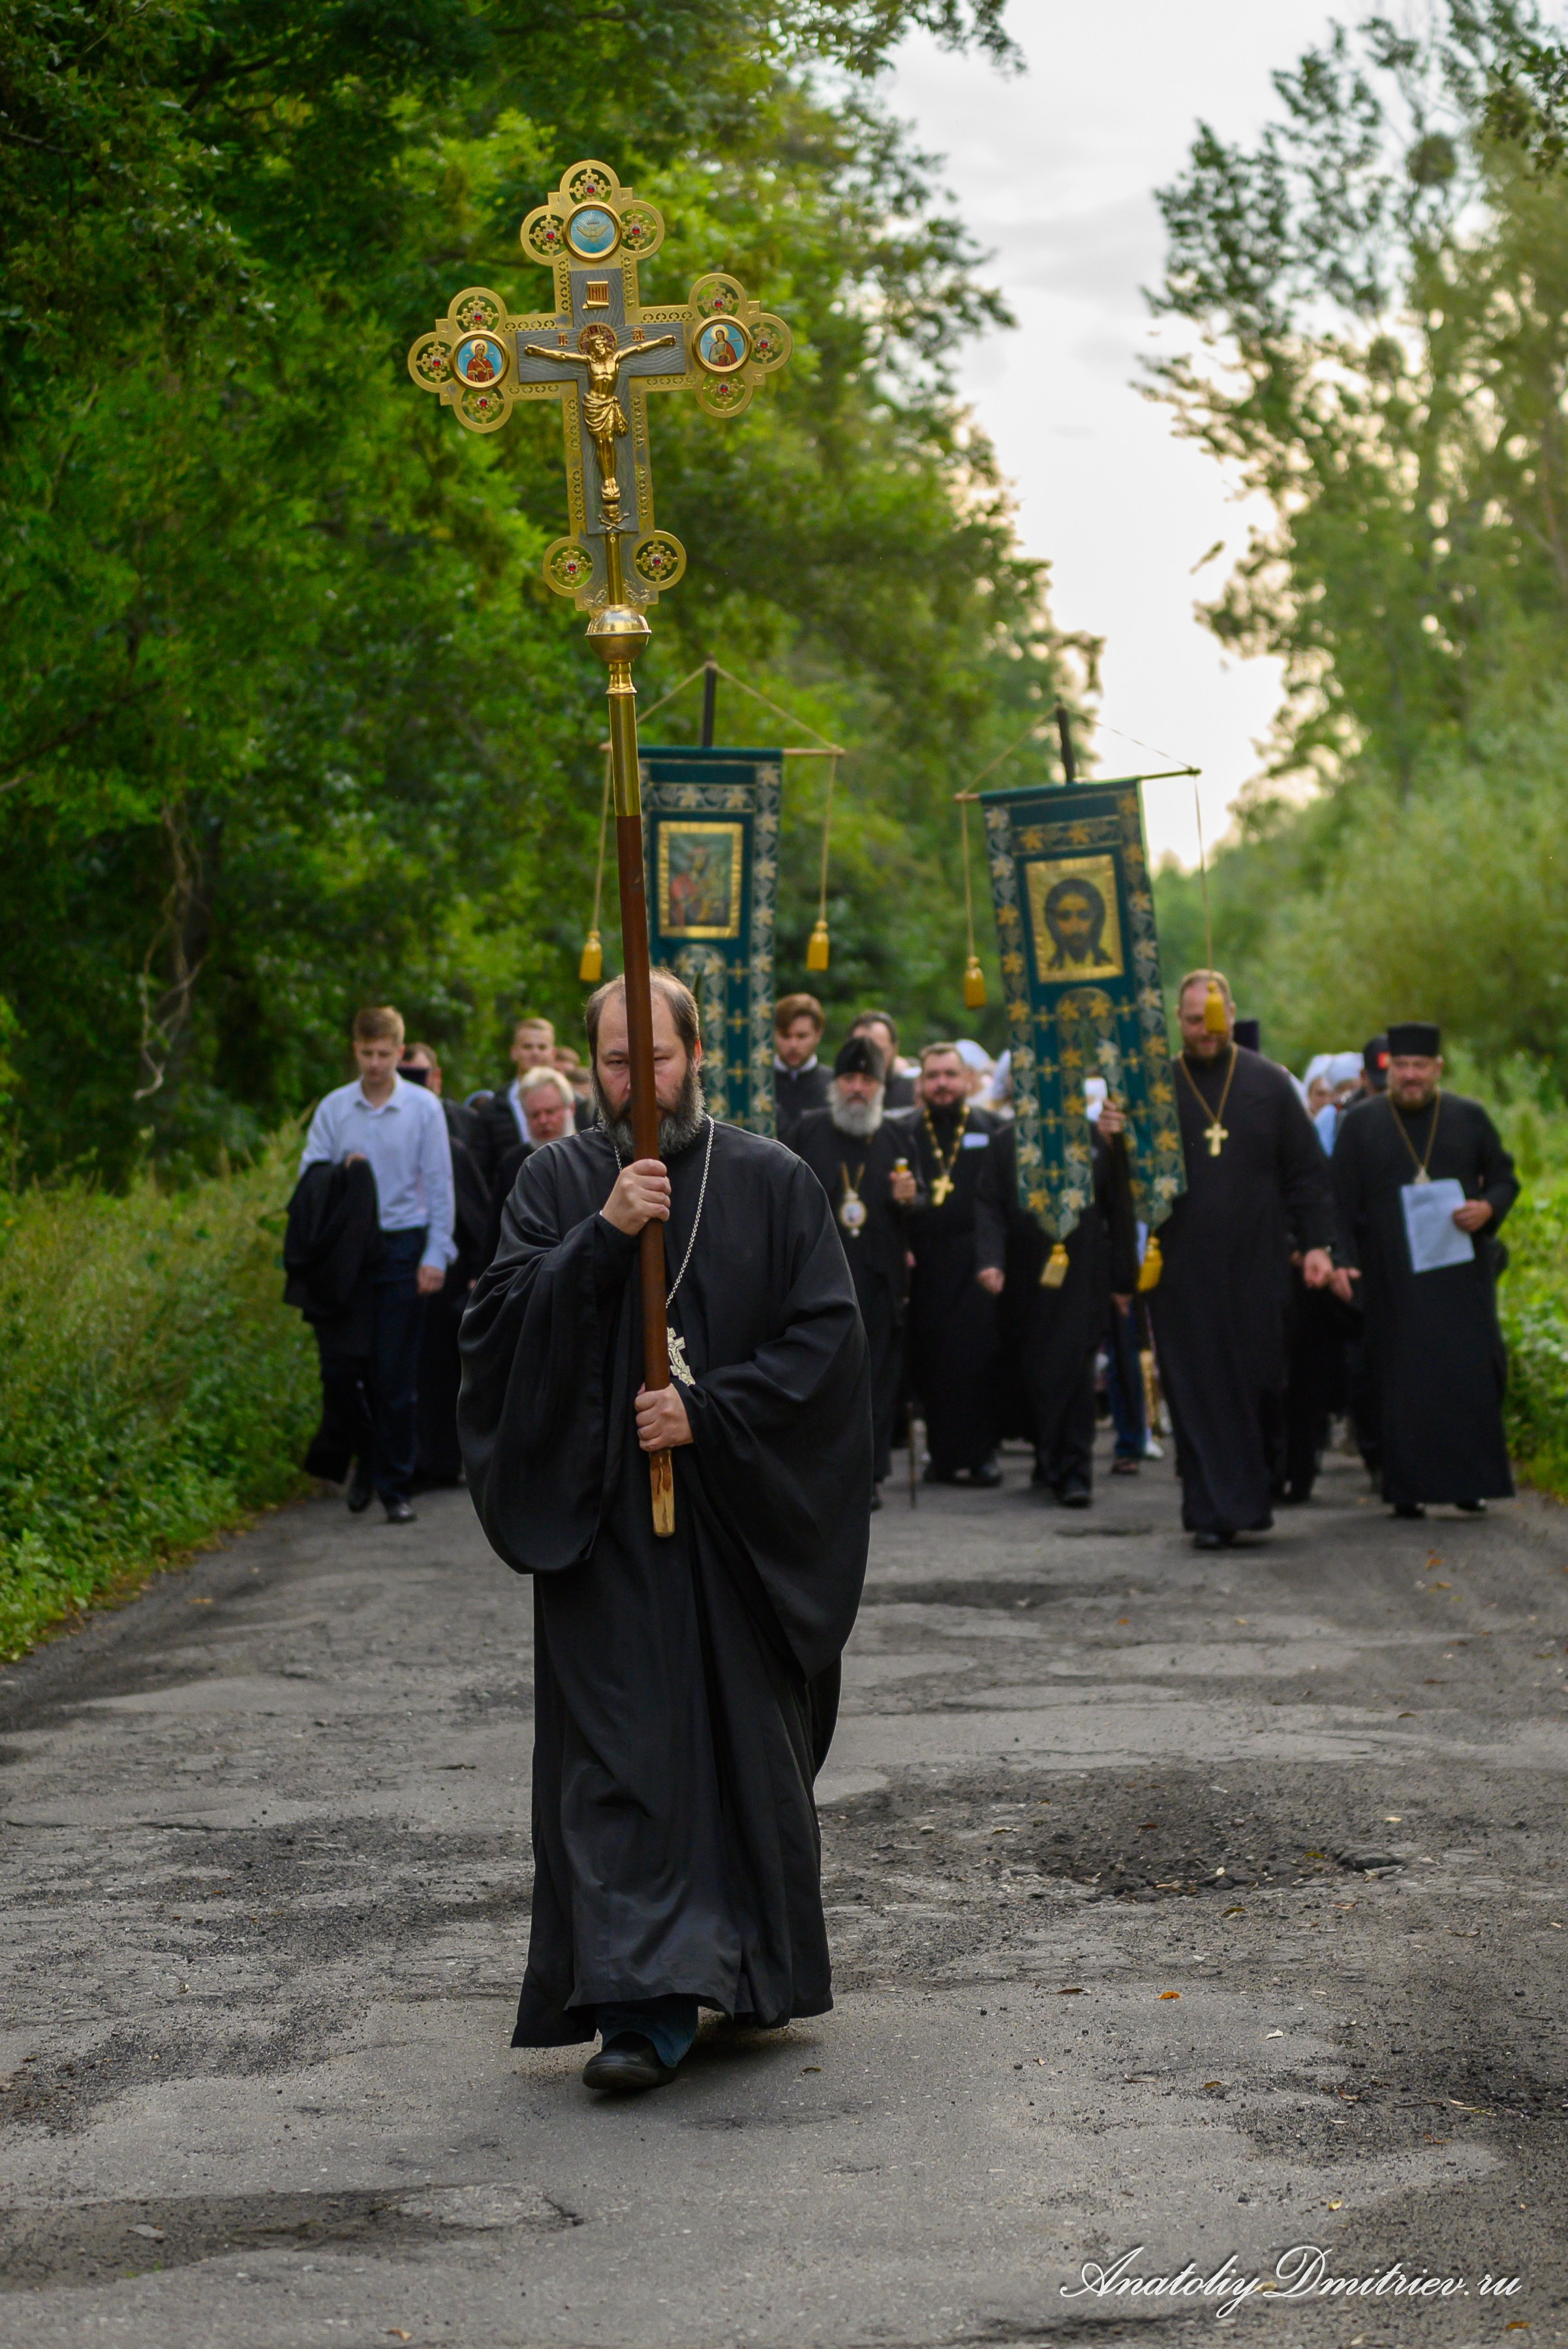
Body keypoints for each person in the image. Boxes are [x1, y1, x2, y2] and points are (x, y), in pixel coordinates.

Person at [459, 970, 871, 2095]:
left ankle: (737, 1971)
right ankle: (639, 2008)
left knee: (740, 1761)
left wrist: (709, 1411)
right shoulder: (554, 1182)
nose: (636, 1084)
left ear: (695, 1055)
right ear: (587, 1068)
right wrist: (602, 1238)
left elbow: (826, 1349)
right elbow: (497, 1335)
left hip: (735, 1534)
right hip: (604, 1541)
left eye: (655, 1058)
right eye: (613, 1062)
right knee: (617, 1767)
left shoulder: (770, 1180)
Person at [1147, 970, 1338, 1550]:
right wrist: (1113, 1137)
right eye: (1192, 1020)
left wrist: (1316, 1245)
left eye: (1213, 1018)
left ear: (1231, 1015)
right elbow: (1131, 1181)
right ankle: (1210, 1512)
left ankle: (1249, 1495)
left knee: (1258, 1381)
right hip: (1181, 1267)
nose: (1204, 1031)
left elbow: (1306, 1174)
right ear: (1177, 1021)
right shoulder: (1155, 1089)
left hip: (1258, 1263)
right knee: (1195, 1386)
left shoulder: (1269, 1084)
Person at [1330, 1021, 1518, 1520]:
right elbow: (1338, 1202)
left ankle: (1470, 1484)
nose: (1409, 1075)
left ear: (1437, 1068)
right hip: (1391, 1277)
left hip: (1459, 1277)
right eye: (1401, 1066)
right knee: (1401, 1384)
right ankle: (1407, 1488)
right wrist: (1340, 1260)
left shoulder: (1468, 1117)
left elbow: (1505, 1179)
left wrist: (1488, 1208)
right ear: (1389, 1069)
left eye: (1419, 1066)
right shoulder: (1361, 1123)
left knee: (1467, 1378)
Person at [296, 1006, 453, 1524]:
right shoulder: (335, 1108)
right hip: (347, 1253)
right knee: (341, 1370)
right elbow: (309, 1177)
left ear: (400, 1052)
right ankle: (365, 1456)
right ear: (355, 1051)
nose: (375, 1063)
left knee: (393, 1376)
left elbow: (439, 1182)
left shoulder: (423, 1108)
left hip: (402, 1244)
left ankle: (394, 1485)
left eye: (384, 1054)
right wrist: (342, 1172)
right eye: (367, 1054)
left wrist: (436, 1253)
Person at [976, 1095, 1137, 1505]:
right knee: (1035, 1371)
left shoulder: (1095, 1140)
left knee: (1077, 1371)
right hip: (1025, 1279)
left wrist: (1124, 1278)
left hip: (1084, 1276)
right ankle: (1048, 1458)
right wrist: (991, 1260)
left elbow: (1118, 1207)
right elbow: (989, 1205)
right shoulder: (1006, 1142)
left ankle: (1075, 1471)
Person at [790, 1035, 921, 1498]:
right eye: (848, 1078)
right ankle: (827, 1471)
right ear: (835, 1084)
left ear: (881, 1086)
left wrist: (911, 1198)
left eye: (867, 1079)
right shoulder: (807, 1130)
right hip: (821, 1279)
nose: (857, 1088)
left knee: (877, 1380)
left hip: (879, 1278)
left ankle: (869, 1474)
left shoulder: (896, 1135)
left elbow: (918, 1207)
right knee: (827, 1379)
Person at [905, 1043, 1002, 1486]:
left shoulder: (991, 1129)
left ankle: (982, 1455)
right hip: (925, 1263)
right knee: (933, 1359)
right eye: (933, 1076)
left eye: (949, 1075)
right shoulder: (905, 1132)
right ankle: (942, 1455)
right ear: (921, 1083)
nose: (941, 1084)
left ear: (967, 1080)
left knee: (978, 1358)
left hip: (976, 1261)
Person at [400, 1044, 493, 1488]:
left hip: (447, 1277)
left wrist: (477, 1271)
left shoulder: (454, 1142)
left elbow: (475, 1213)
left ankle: (437, 1459)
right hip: (399, 1268)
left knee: (439, 1369)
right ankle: (409, 1458)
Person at [485, 1066, 577, 1261]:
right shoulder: (512, 1166)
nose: (543, 1121)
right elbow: (496, 1235)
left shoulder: (591, 1156)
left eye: (550, 1112)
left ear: (571, 1108)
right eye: (535, 1115)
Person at [772, 992, 832, 1143]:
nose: (793, 1045)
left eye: (802, 1036)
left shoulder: (833, 1085)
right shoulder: (759, 1085)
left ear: (818, 1034)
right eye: (786, 1036)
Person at [848, 1011, 916, 1109]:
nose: (868, 1059)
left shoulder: (913, 1094)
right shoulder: (835, 1092)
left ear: (894, 1049)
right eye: (860, 1051)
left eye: (878, 1052)